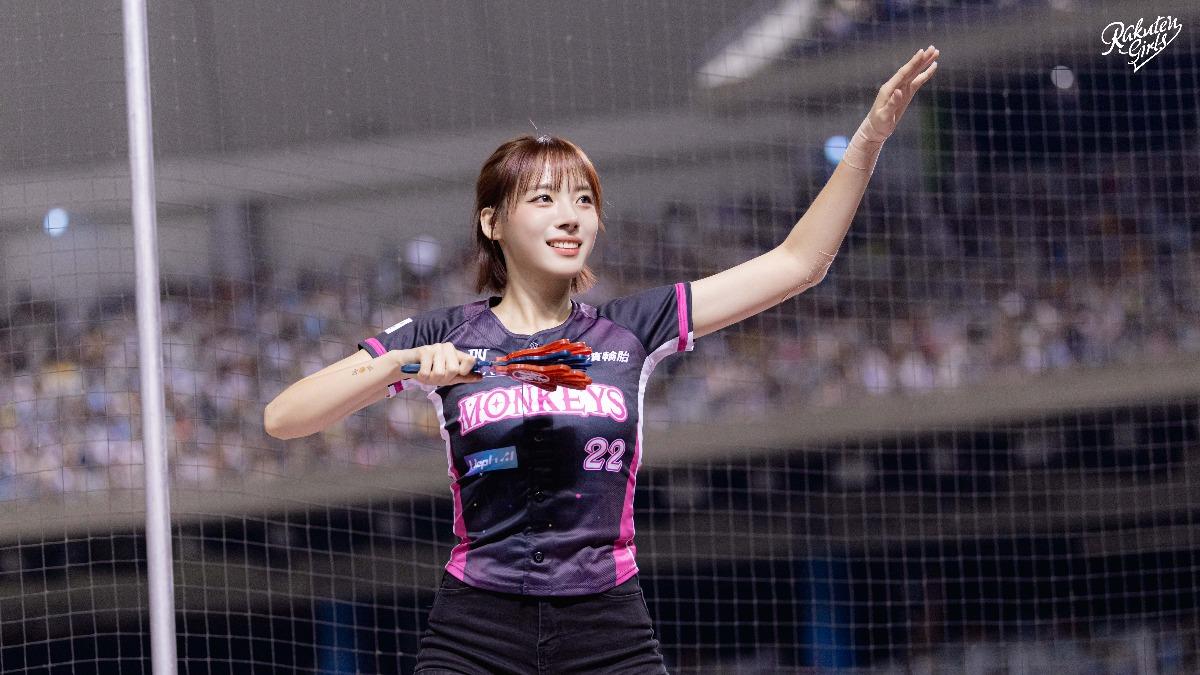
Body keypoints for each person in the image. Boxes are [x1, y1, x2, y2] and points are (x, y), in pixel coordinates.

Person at [264, 46, 938, 675]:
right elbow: (284, 418)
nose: (570, 217)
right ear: (493, 222)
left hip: (607, 626)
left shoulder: (632, 328)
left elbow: (798, 264)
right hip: (475, 627)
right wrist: (400, 365)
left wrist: (869, 139)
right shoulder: (443, 332)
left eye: (583, 200)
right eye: (544, 198)